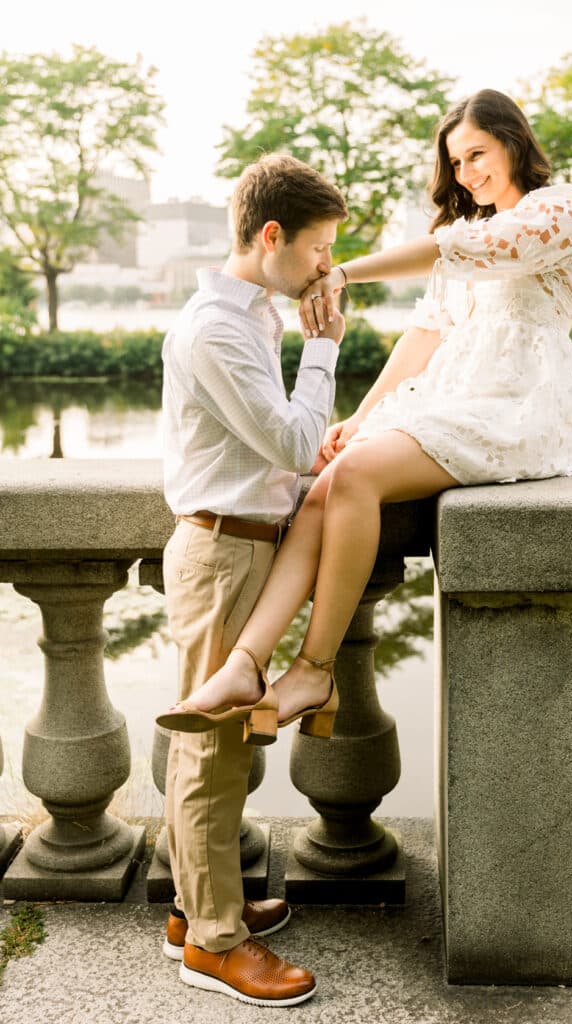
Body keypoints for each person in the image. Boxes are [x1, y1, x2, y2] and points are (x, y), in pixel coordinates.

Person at [160, 88, 572, 831]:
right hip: (453, 394)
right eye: (456, 163)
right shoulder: (469, 221)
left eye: (477, 156)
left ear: (513, 144)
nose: (465, 175)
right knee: (330, 477)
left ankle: (315, 670)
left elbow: (465, 251)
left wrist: (341, 272)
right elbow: (424, 334)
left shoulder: (559, 209)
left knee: (352, 477)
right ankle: (249, 663)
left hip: (519, 402)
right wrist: (360, 416)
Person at [155, 152, 348, 1008]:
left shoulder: (248, 315)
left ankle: (195, 909)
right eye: (316, 249)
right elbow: (292, 443)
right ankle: (215, 943)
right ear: (270, 237)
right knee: (214, 756)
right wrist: (325, 349)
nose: (324, 267)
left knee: (216, 748)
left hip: (243, 543)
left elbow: (275, 453)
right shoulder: (218, 328)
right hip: (222, 553)